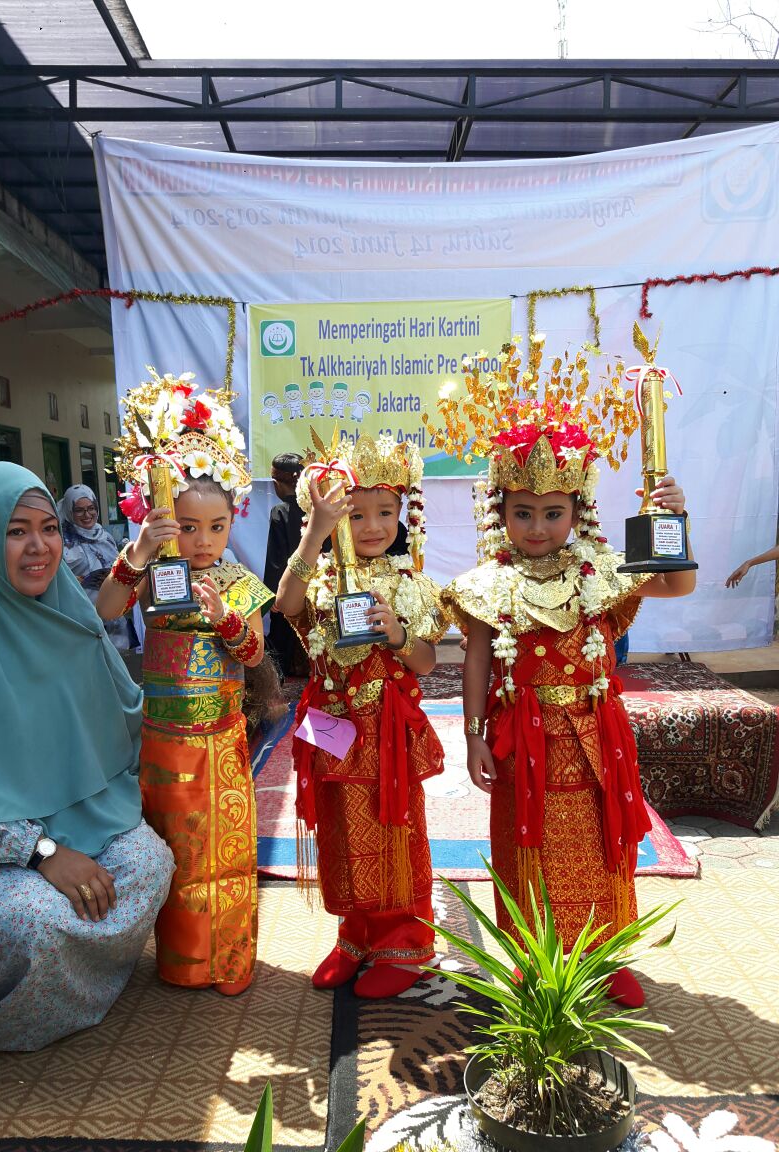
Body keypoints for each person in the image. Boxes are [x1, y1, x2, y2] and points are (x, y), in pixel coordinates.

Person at [439, 342, 696, 1010]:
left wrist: (673, 515)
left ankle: (606, 958)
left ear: (575, 512)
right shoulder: (486, 585)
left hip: (590, 734)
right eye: (523, 512)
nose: (537, 527)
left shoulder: (600, 571)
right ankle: (534, 961)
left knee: (600, 846)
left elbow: (675, 582)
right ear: (503, 511)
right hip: (520, 739)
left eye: (552, 513)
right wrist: (471, 736)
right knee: (527, 849)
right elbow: (473, 658)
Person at [0, 462, 173, 1052]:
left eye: (48, 528)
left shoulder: (66, 615)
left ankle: (70, 984)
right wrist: (42, 852)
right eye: (14, 531)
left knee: (150, 863)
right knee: (33, 922)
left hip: (76, 818)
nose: (39, 548)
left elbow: (114, 713)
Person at [98, 369, 271, 994]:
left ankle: (225, 960)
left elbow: (252, 657)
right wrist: (139, 552)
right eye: (188, 527)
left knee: (220, 855)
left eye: (216, 528)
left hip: (220, 742)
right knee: (171, 855)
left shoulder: (239, 583)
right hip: (161, 740)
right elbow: (105, 611)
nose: (202, 541)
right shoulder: (153, 573)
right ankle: (179, 962)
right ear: (168, 521)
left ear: (232, 524)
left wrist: (227, 621)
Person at [275, 435, 450, 999]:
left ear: (404, 513)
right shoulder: (321, 578)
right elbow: (287, 606)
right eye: (355, 514)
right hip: (332, 723)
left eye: (386, 511)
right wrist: (313, 535)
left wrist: (397, 634)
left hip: (387, 729)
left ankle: (406, 941)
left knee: (394, 828)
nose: (372, 525)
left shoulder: (413, 585)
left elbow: (424, 661)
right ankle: (356, 934)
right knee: (344, 832)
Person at [59, 484, 134, 651]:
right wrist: (80, 581)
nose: (87, 515)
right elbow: (56, 579)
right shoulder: (61, 541)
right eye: (79, 510)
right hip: (81, 617)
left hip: (113, 615)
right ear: (69, 512)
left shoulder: (105, 537)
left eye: (91, 508)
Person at [264, 452, 305, 678]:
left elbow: (276, 558)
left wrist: (272, 595)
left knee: (281, 639)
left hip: (288, 588)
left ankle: (276, 685)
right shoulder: (317, 509)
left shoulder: (280, 512)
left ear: (276, 484)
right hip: (317, 585)